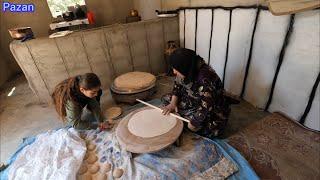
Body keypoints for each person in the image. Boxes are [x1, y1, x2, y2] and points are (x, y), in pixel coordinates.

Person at [162, 48, 231, 139]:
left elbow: (207, 105)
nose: (174, 72)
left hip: (212, 108)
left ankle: (189, 117)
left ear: (184, 66)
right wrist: (172, 103)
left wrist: (194, 122)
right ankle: (185, 114)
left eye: (176, 69)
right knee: (167, 99)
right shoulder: (188, 68)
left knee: (205, 129)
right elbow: (177, 85)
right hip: (196, 98)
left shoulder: (205, 78)